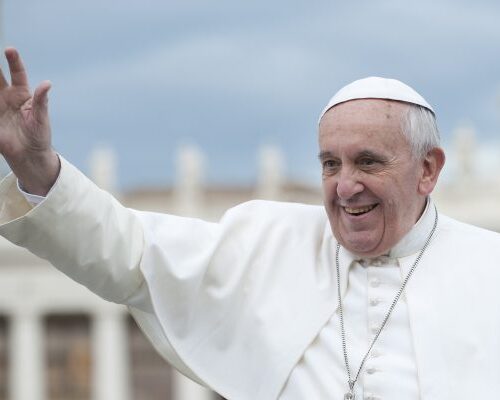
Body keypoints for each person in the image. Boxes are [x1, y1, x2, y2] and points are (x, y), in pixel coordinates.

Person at [0, 47, 499, 400]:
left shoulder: (488, 269)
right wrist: (36, 167)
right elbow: (131, 252)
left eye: (368, 162)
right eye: (330, 164)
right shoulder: (269, 242)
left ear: (428, 169)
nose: (345, 186)